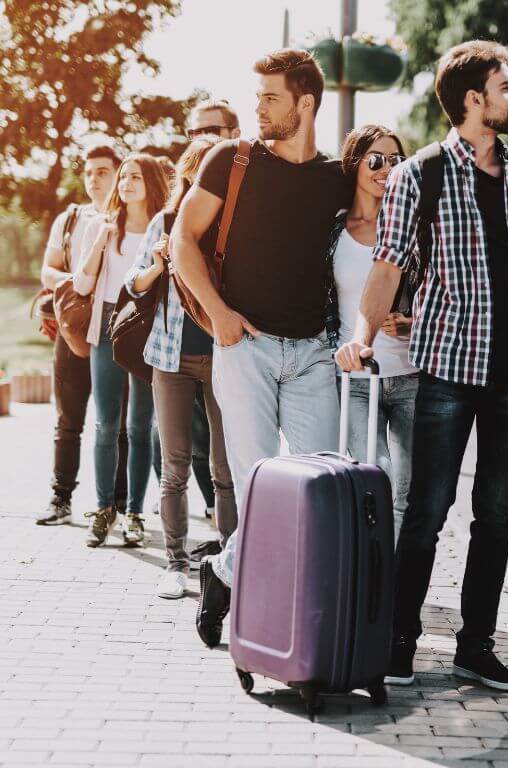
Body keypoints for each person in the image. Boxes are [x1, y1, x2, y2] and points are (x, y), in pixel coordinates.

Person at [337, 41, 508, 692]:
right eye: (507, 85)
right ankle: (399, 643)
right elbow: (387, 267)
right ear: (474, 100)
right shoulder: (423, 174)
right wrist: (363, 336)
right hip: (450, 364)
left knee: (496, 513)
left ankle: (476, 647)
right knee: (428, 510)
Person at [174, 49, 345, 647]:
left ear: (306, 103)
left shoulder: (335, 178)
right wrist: (219, 315)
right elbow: (182, 241)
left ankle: (222, 572)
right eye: (258, 98)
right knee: (256, 491)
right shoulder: (231, 160)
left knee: (318, 492)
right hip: (244, 348)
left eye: (270, 97)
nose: (259, 108)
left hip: (314, 355)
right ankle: (273, 618)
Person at [125, 136, 237, 600]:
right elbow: (133, 284)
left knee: (225, 470)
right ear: (189, 174)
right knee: (173, 466)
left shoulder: (235, 224)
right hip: (170, 358)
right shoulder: (166, 222)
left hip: (224, 356)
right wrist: (156, 265)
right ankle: (175, 563)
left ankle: (232, 564)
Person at [73, 153, 169, 548]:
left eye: (135, 177)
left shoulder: (163, 227)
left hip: (144, 325)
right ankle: (103, 510)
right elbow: (81, 286)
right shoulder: (104, 227)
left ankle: (134, 513)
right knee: (105, 424)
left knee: (140, 426)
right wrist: (99, 242)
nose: (126, 183)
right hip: (108, 321)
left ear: (151, 183)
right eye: (123, 176)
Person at [329, 124, 418, 543]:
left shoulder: (414, 229)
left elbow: (441, 289)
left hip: (412, 374)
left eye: (396, 160)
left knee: (405, 489)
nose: (387, 169)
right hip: (357, 378)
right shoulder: (333, 230)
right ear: (355, 164)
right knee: (374, 472)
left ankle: (392, 589)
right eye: (376, 160)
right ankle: (368, 569)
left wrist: (413, 321)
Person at [37, 144, 128, 525]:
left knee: (119, 424)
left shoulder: (135, 219)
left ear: (120, 173)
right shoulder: (70, 219)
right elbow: (48, 272)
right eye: (89, 172)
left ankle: (120, 508)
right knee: (68, 419)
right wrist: (82, 282)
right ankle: (60, 499)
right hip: (74, 332)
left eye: (103, 171)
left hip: (117, 333)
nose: (94, 179)